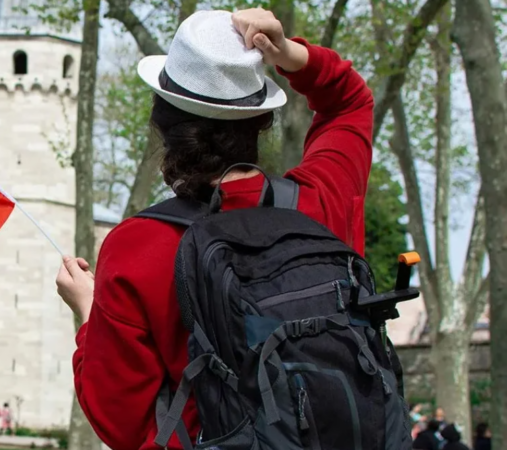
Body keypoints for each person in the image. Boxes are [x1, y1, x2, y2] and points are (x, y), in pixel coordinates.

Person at [56, 7, 377, 450]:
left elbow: (120, 420)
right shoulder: (320, 203)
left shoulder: (136, 246)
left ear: (163, 124)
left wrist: (90, 313)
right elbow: (351, 101)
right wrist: (287, 53)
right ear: (261, 121)